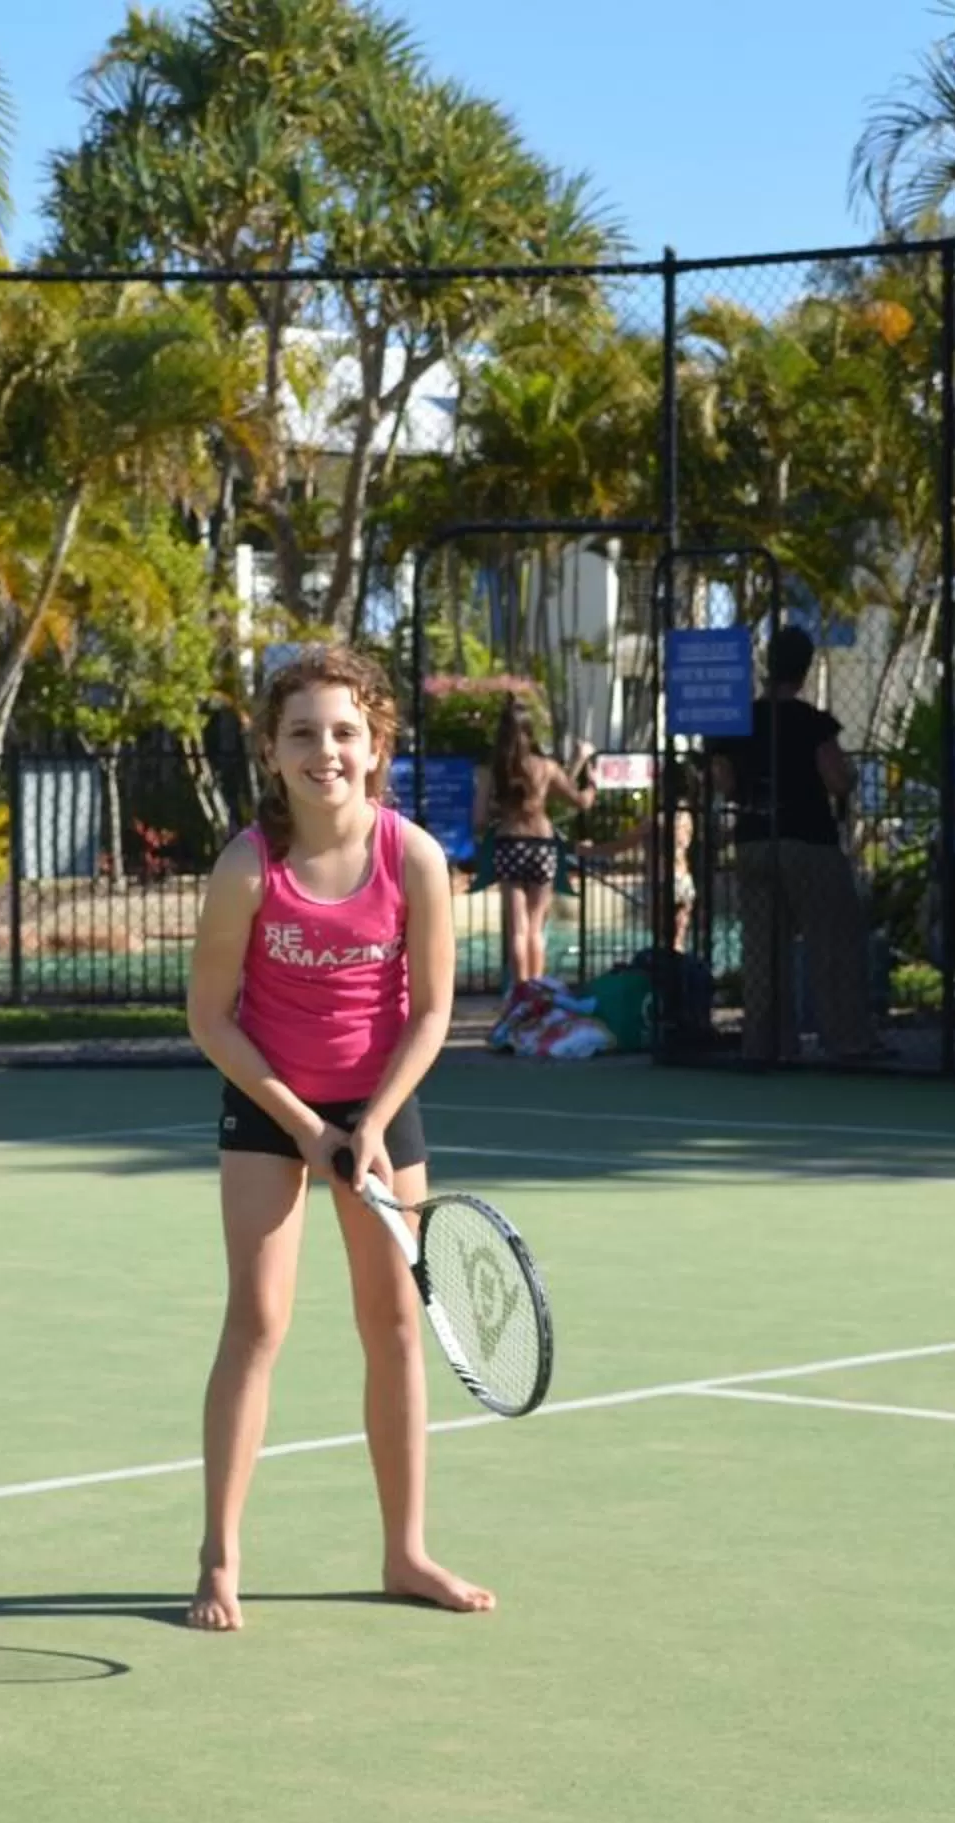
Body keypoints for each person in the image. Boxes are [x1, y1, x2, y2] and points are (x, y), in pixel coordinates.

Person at [183, 646, 489, 1634]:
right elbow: (210, 1017)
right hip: (272, 1108)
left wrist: (369, 1123)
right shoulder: (246, 865)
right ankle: (219, 1556)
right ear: (271, 750)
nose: (327, 751)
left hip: (383, 1101)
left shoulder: (415, 859)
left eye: (346, 732)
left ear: (378, 744)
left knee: (394, 1324)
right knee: (259, 1319)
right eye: (304, 733)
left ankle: (406, 1552)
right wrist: (310, 1128)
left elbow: (435, 1011)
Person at [706, 625, 880, 1063]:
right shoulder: (811, 723)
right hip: (807, 838)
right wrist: (850, 779)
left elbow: (725, 784)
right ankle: (846, 1037)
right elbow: (837, 780)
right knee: (832, 941)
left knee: (763, 948)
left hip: (753, 840)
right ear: (804, 671)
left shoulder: (740, 722)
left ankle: (766, 1042)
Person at [472, 696, 597, 992]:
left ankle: (520, 995)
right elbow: (579, 801)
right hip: (542, 846)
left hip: (509, 844)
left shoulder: (494, 770)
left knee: (518, 928)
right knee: (536, 926)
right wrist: (590, 782)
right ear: (530, 732)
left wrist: (498, 812)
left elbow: (477, 820)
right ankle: (538, 995)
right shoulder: (546, 767)